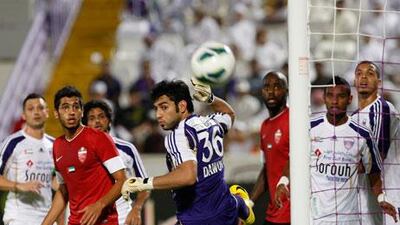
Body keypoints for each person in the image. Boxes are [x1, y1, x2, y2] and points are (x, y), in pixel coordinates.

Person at [120, 79, 255, 225]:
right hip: (226, 211)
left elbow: (188, 176)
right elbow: (229, 114)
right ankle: (241, 205)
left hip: (198, 218)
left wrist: (144, 182)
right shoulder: (211, 122)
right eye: (156, 108)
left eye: (164, 107)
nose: (158, 114)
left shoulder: (178, 134)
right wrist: (212, 99)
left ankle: (241, 205)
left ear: (182, 106)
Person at [275, 76, 398, 224]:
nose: (335, 101)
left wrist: (381, 197)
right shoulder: (310, 128)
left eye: (341, 96)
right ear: (324, 98)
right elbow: (294, 159)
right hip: (315, 218)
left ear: (350, 99)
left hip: (349, 219)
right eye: (330, 96)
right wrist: (282, 182)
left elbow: (374, 173)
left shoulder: (362, 134)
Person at [41, 86, 126, 225]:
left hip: (104, 221)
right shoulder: (57, 145)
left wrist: (99, 205)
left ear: (82, 112)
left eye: (76, 107)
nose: (71, 112)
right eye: (65, 107)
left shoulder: (99, 138)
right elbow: (63, 190)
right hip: (75, 222)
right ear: (56, 113)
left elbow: (122, 180)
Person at [82, 100, 150, 225]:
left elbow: (145, 185)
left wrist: (137, 208)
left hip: (121, 217)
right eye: (92, 118)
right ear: (85, 124)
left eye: (101, 116)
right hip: (90, 218)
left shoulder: (126, 148)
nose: (97, 121)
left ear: (109, 120)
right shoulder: (80, 153)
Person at [352, 60, 400, 225]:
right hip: (365, 197)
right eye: (359, 74)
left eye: (370, 73)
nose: (363, 77)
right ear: (354, 81)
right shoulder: (354, 116)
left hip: (388, 195)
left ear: (379, 82)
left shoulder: (383, 109)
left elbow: (376, 158)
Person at [0, 94, 55, 225]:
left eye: (40, 108)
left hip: (47, 218)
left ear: (47, 112)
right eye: (31, 109)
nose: (36, 112)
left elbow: (54, 181)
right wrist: (19, 186)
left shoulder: (54, 145)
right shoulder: (12, 143)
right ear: (23, 115)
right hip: (20, 217)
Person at [250, 71, 290, 225]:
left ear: (286, 91)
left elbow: (297, 160)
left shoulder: (293, 120)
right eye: (267, 87)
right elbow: (266, 170)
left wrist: (284, 181)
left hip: (293, 212)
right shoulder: (265, 126)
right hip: (273, 212)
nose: (271, 92)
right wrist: (250, 203)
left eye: (277, 86)